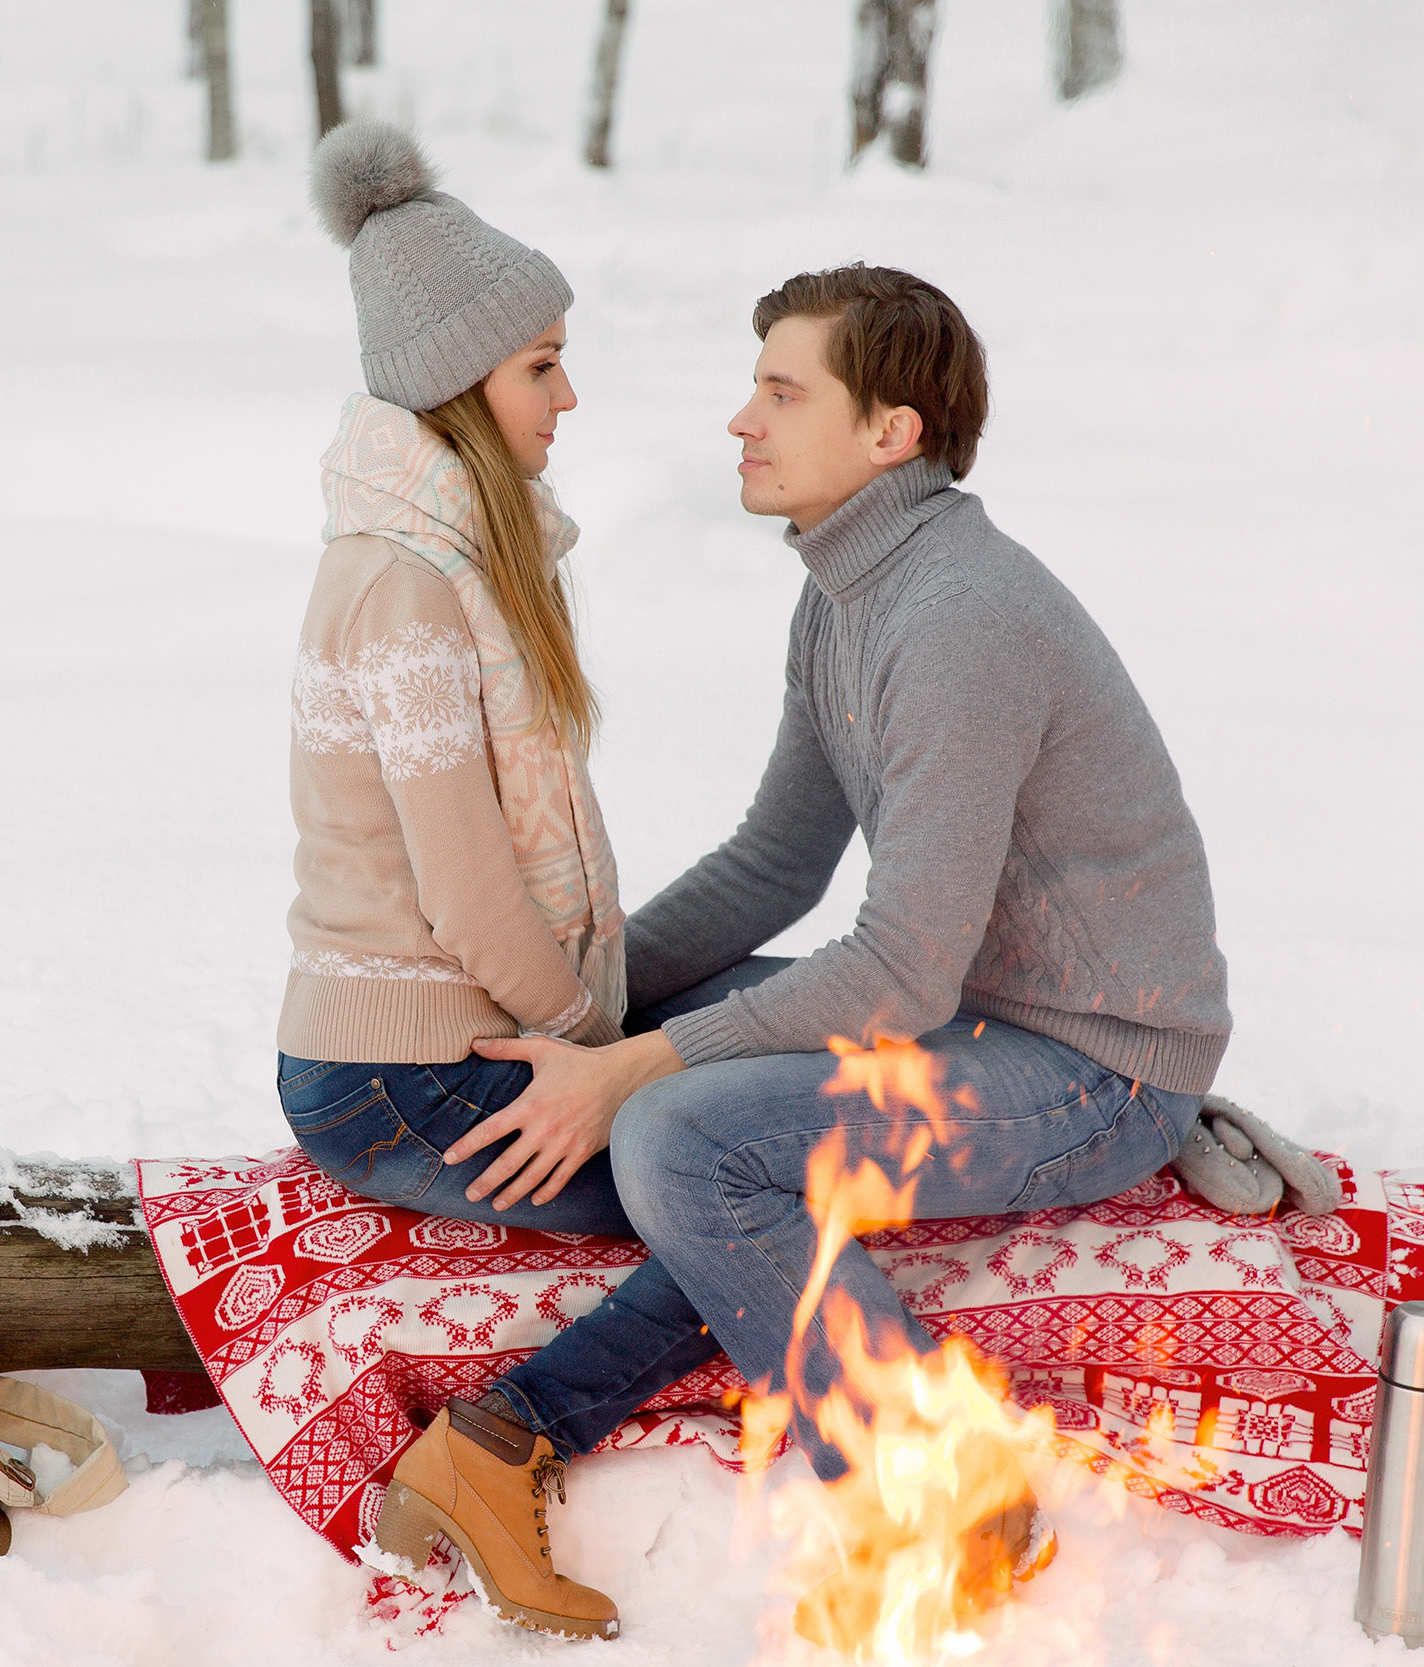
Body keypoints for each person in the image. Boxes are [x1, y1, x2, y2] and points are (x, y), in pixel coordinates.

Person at [378, 262, 1234, 1641]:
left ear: (891, 434)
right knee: (691, 1035)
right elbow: (777, 863)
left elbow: (900, 975)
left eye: (784, 391)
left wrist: (625, 1075)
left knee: (681, 1140)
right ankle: (503, 1439)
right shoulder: (848, 592)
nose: (741, 421)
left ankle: (937, 1494)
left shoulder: (958, 618)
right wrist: (582, 1007)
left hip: (1093, 1066)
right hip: (984, 1015)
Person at [277, 121, 631, 1638]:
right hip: (406, 1070)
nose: (568, 393)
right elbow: (470, 898)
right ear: (463, 383)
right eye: (541, 364)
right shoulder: (408, 584)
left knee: (748, 1081)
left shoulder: (455, 554)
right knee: (738, 1194)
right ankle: (498, 1449)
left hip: (456, 1034)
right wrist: (594, 1050)